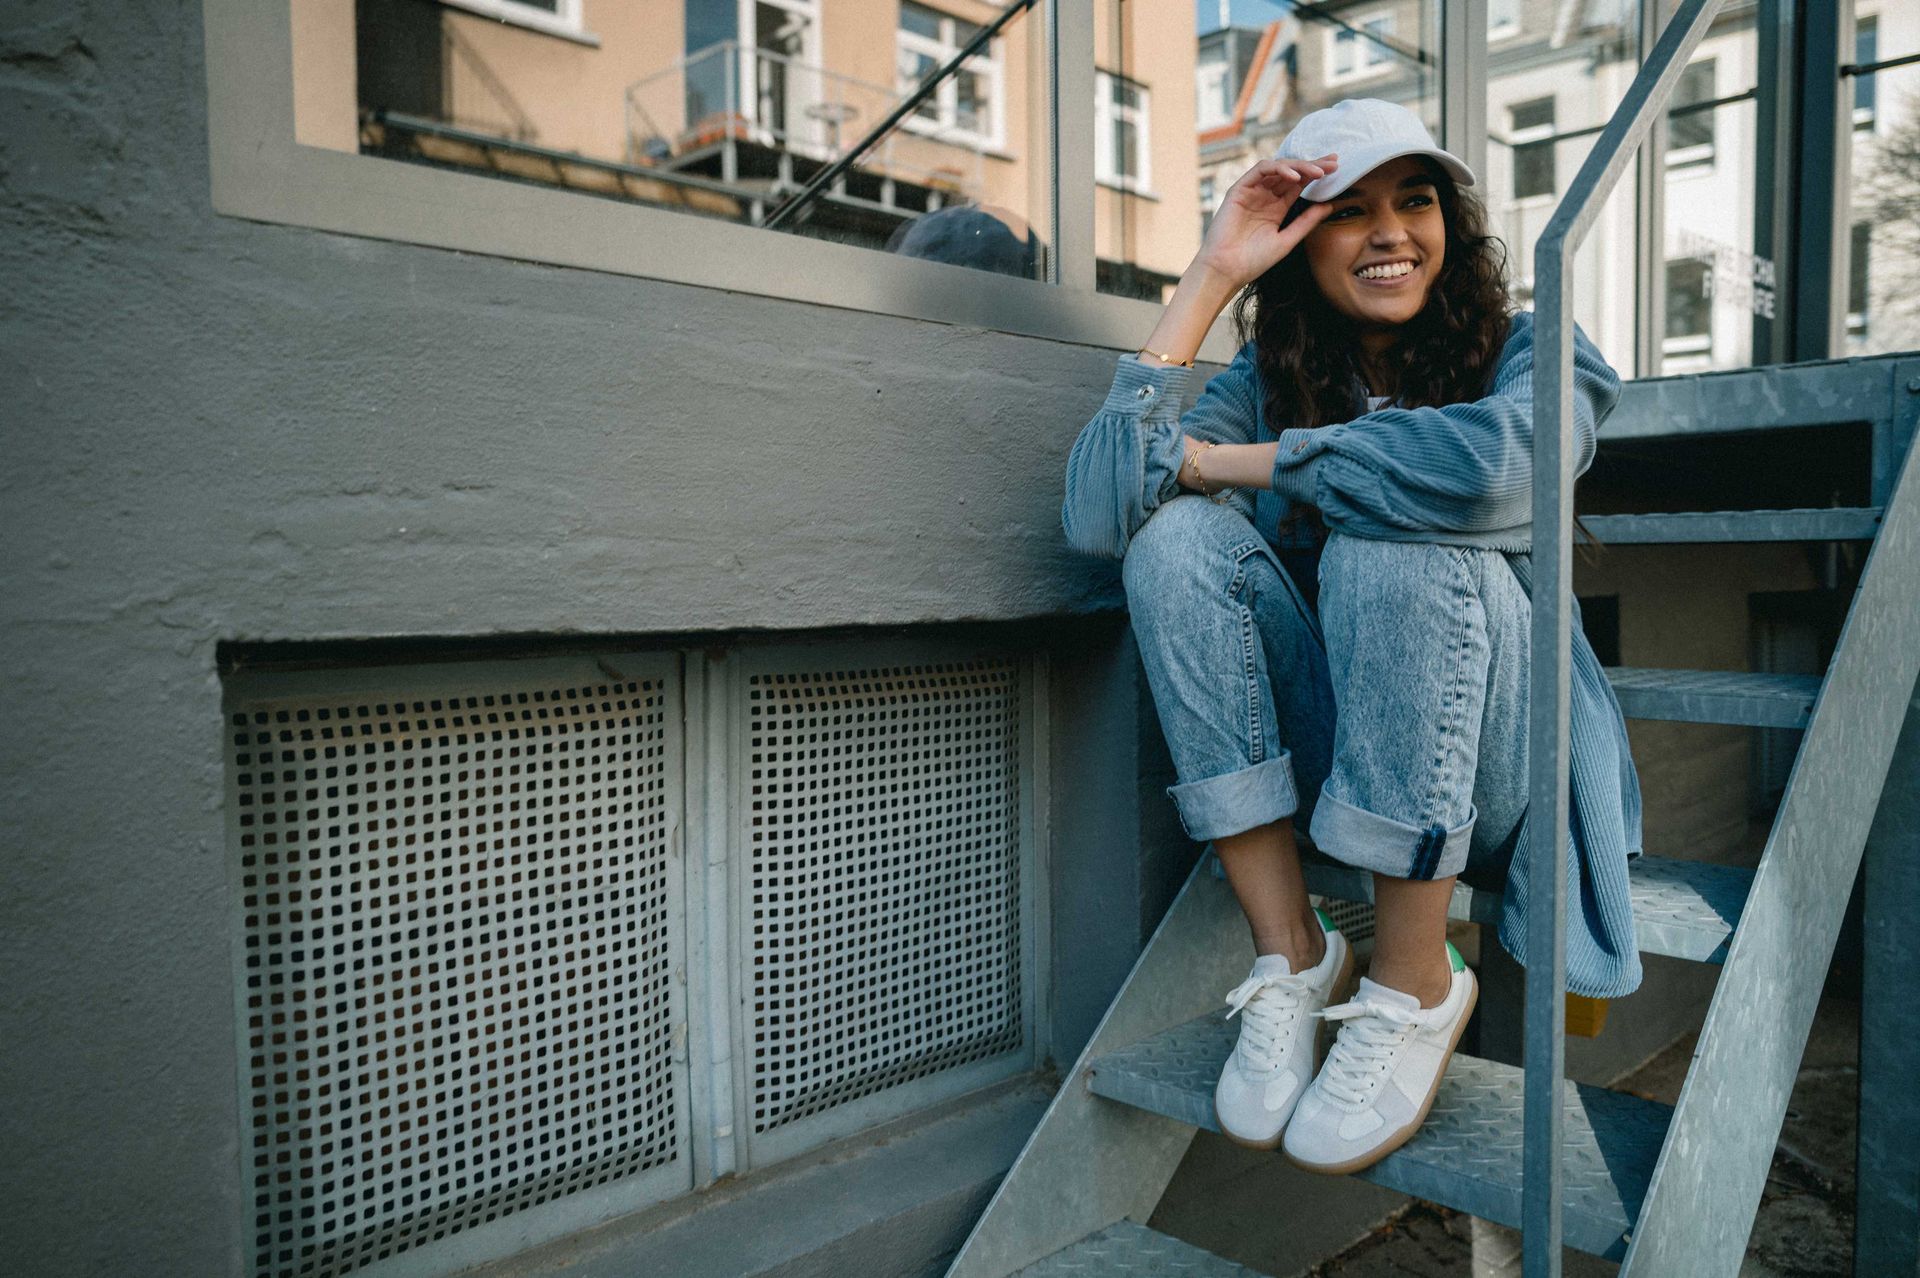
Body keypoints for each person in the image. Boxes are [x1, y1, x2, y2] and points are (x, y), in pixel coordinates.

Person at [1060, 98, 1644, 1175]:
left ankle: (1416, 981)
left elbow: (1490, 465)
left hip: (1502, 763)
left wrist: (1250, 462)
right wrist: (1211, 275)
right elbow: (1099, 514)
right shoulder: (1266, 382)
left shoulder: (1533, 348)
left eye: (1415, 201)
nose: (1390, 232)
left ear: (1451, 228)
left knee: (1391, 531)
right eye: (1349, 211)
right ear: (1301, 243)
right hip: (1352, 753)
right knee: (1172, 543)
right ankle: (1292, 953)